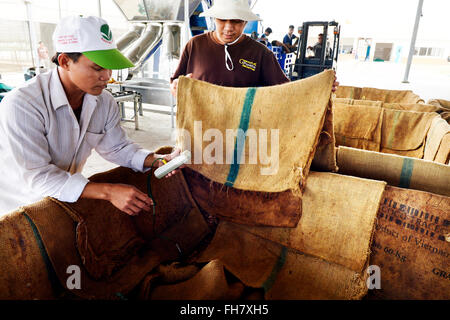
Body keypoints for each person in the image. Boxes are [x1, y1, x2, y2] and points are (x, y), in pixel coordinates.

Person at [0, 16, 181, 217]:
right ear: (65, 61)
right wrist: (109, 192)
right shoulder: (24, 105)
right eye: (97, 67)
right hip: (17, 209)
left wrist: (156, 160)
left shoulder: (103, 102)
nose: (107, 76)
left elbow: (117, 147)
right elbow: (39, 177)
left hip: (61, 200)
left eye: (109, 66)